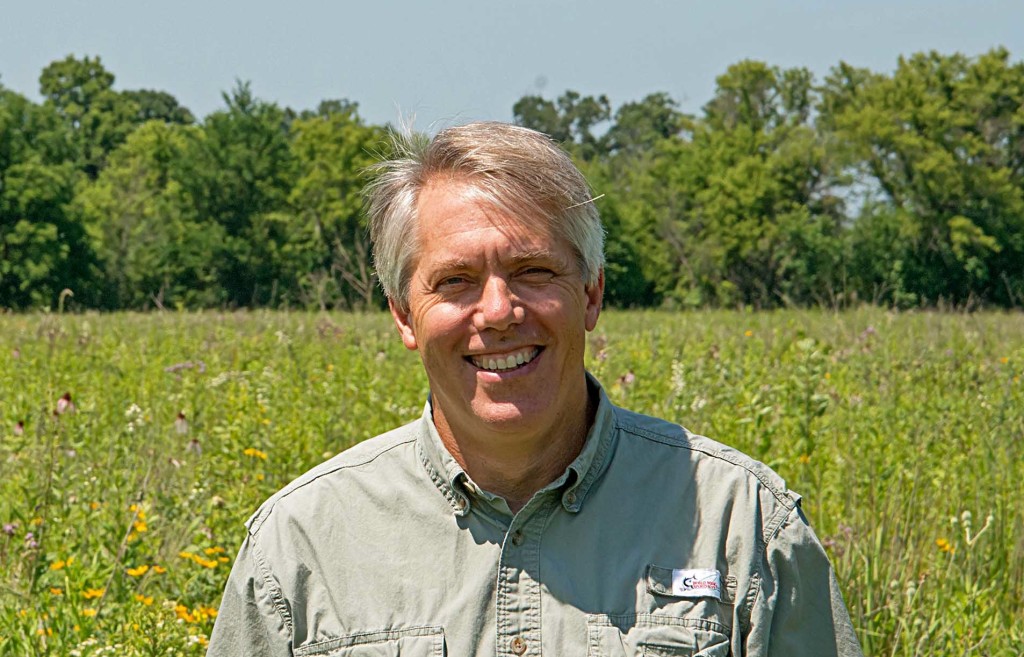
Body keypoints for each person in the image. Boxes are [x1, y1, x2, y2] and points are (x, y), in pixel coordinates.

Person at [208, 121, 863, 656]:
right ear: (404, 315)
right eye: (455, 280)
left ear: (591, 294)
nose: (498, 311)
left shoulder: (741, 522)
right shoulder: (304, 542)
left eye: (533, 269)